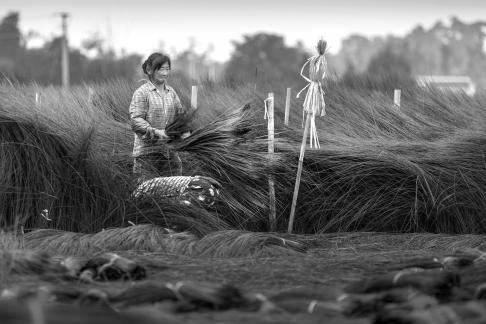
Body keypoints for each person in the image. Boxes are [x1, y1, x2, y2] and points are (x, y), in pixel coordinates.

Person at [129, 52, 190, 181]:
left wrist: (186, 132)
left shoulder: (171, 92)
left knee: (174, 192)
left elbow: (180, 115)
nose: (164, 73)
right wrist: (156, 132)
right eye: (161, 69)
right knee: (147, 194)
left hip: (170, 154)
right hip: (148, 154)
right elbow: (136, 120)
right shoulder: (142, 93)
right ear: (149, 70)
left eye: (167, 69)